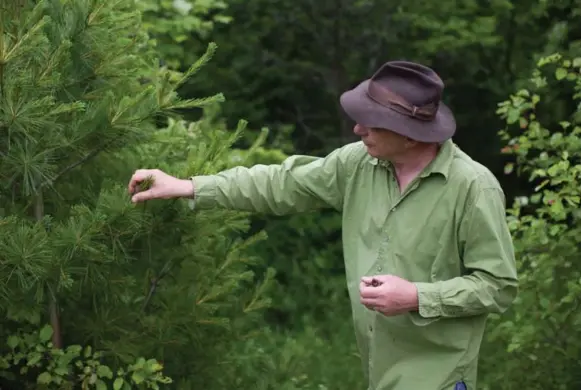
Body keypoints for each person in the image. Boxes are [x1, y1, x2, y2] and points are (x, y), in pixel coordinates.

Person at [128, 61, 518, 390]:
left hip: (439, 378)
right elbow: (281, 183)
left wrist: (417, 296)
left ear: (409, 131)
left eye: (371, 123)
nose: (357, 130)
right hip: (377, 372)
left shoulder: (473, 187)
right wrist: (187, 186)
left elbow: (497, 287)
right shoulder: (356, 164)